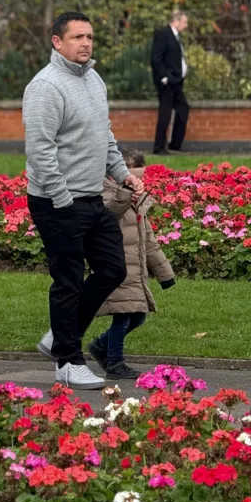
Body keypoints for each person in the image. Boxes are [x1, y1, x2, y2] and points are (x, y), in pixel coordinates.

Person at [23, 10, 146, 390]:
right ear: (57, 42)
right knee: (69, 280)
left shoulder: (93, 79)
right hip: (57, 201)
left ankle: (63, 335)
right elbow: (40, 150)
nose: (86, 43)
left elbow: (104, 136)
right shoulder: (45, 87)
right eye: (77, 37)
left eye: (89, 36)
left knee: (113, 269)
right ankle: (68, 361)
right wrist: (61, 197)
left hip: (91, 197)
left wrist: (122, 173)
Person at [88, 148, 175, 380]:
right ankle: (115, 363)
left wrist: (164, 273)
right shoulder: (103, 195)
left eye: (141, 178)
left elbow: (149, 240)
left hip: (134, 270)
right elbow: (108, 215)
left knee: (138, 316)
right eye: (133, 178)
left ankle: (99, 346)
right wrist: (125, 194)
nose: (138, 184)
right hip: (114, 267)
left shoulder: (137, 202)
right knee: (124, 315)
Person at [150, 11, 190, 155]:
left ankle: (175, 144)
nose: (185, 26)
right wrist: (164, 77)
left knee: (183, 109)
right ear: (176, 21)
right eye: (184, 22)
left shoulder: (176, 37)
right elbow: (155, 58)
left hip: (176, 82)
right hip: (167, 82)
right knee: (165, 113)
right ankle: (159, 147)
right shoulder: (163, 34)